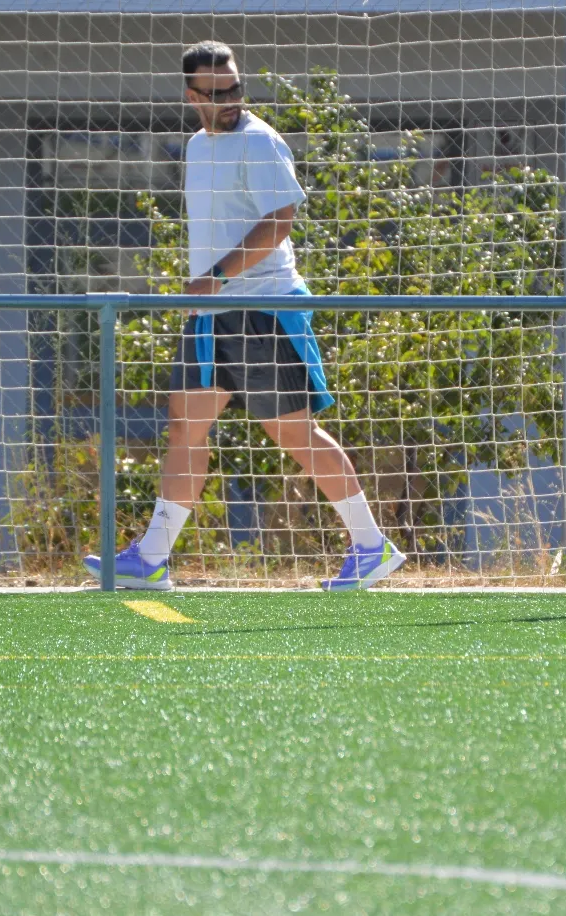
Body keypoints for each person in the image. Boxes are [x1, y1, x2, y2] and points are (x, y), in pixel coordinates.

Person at [87, 40, 406, 592]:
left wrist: (215, 276)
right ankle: (152, 558)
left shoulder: (259, 142)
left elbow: (279, 221)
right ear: (192, 95)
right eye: (218, 92)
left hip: (265, 309)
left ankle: (372, 546)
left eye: (236, 87)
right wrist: (209, 289)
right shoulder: (195, 144)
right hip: (213, 314)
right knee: (185, 427)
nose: (231, 99)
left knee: (292, 434)